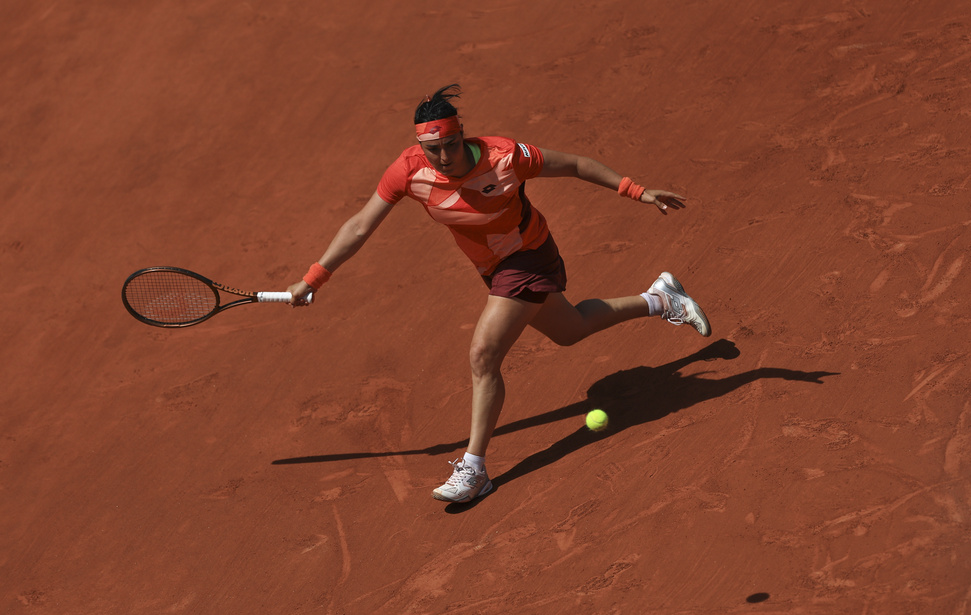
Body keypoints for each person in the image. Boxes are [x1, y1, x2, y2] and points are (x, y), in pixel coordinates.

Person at [287, 84, 710, 504]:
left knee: (483, 353)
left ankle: (474, 469)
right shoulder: (407, 170)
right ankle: (663, 298)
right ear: (420, 145)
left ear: (462, 135)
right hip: (492, 267)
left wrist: (635, 190)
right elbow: (361, 226)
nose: (444, 157)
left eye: (451, 145)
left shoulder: (506, 156)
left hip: (528, 254)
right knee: (571, 329)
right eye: (434, 149)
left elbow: (577, 165)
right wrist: (313, 279)